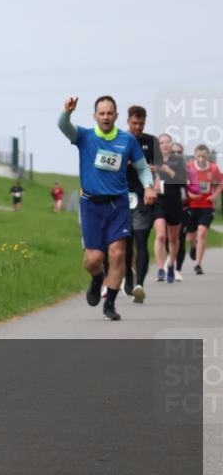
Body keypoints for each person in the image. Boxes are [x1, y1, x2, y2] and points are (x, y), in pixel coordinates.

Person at [58, 95, 155, 321]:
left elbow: (142, 168)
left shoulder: (127, 140)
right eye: (101, 113)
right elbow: (63, 126)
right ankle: (97, 277)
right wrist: (67, 112)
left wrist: (149, 186)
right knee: (93, 260)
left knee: (118, 254)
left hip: (118, 204)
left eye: (110, 113)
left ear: (116, 116)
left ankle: (109, 304)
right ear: (95, 116)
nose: (106, 117)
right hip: (91, 205)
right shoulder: (85, 136)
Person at [121, 105, 161, 300]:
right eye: (134, 123)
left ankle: (140, 285)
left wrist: (154, 176)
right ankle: (129, 276)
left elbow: (160, 169)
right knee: (126, 244)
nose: (137, 127)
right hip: (122, 197)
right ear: (128, 121)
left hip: (144, 197)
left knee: (141, 240)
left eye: (141, 124)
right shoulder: (120, 139)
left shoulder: (152, 141)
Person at [152, 133, 187, 287]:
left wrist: (169, 172)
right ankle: (161, 269)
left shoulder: (178, 160)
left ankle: (171, 265)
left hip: (174, 202)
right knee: (160, 236)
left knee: (173, 238)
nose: (165, 145)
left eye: (167, 142)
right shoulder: (153, 160)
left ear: (171, 144)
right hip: (158, 202)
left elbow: (184, 182)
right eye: (161, 142)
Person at [185, 144, 222, 275]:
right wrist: (190, 194)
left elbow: (220, 183)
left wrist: (214, 195)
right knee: (190, 237)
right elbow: (184, 184)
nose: (201, 159)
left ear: (207, 156)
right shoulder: (189, 167)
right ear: (195, 156)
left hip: (207, 205)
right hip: (192, 205)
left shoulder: (213, 168)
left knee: (202, 232)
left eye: (203, 157)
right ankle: (193, 246)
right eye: (199, 156)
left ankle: (198, 265)